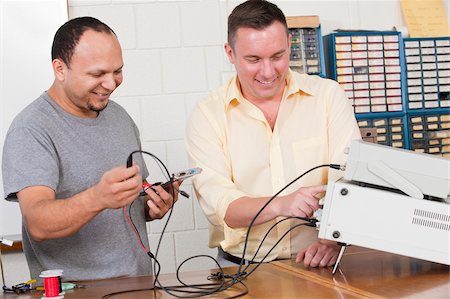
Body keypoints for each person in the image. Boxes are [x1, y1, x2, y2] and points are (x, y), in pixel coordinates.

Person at [2, 17, 179, 281]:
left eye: (117, 71)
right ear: (60, 69)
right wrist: (97, 198)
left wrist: (151, 205)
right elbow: (37, 222)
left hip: (139, 285)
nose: (110, 84)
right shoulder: (31, 129)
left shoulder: (119, 116)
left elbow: (133, 195)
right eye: (97, 74)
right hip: (76, 291)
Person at [186, 0, 361, 268]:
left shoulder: (328, 97)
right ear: (230, 53)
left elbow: (352, 178)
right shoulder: (208, 115)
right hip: (240, 267)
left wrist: (331, 240)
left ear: (290, 44)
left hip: (320, 262)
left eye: (277, 56)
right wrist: (281, 204)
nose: (268, 72)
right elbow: (222, 207)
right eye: (253, 59)